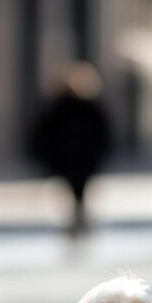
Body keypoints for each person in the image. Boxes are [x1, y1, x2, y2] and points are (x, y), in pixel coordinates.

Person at [31, 61, 111, 235]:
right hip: (79, 160)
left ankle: (76, 220)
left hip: (70, 160)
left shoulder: (60, 108)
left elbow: (44, 134)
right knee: (78, 191)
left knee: (74, 191)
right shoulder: (85, 108)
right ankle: (77, 219)